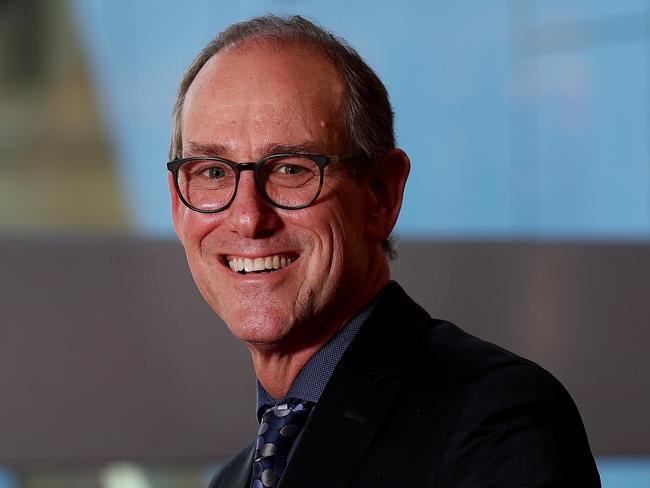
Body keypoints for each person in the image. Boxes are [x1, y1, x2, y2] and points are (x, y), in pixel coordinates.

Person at [167, 14, 601, 488]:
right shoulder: (233, 480)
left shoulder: (493, 422)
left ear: (381, 196)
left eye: (292, 169)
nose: (249, 217)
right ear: (177, 204)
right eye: (212, 172)